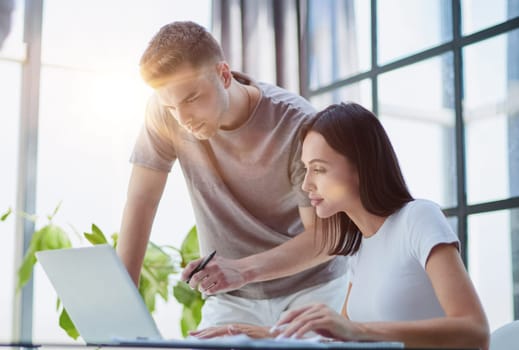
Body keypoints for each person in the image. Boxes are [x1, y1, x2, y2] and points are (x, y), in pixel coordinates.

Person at [116, 21, 349, 330]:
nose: (183, 119)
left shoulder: (297, 123)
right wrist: (122, 309)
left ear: (223, 75)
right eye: (171, 106)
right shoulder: (164, 113)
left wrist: (242, 270)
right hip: (234, 295)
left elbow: (326, 237)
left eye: (191, 98)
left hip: (311, 287)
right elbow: (142, 201)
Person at [267, 102, 489, 349]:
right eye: (306, 169)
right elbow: (340, 340)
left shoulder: (418, 218)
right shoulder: (361, 248)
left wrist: (358, 330)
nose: (306, 184)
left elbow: (475, 330)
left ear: (361, 167)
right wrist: (269, 336)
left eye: (319, 169)